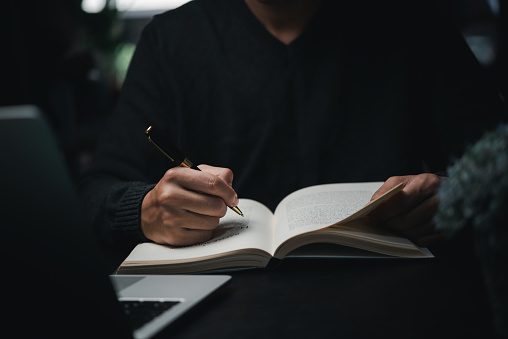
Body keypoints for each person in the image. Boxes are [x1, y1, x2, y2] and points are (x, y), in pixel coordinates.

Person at [78, 0, 507, 264]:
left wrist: (455, 196)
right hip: (219, 301)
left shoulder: (414, 22)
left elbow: (497, 163)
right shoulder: (169, 41)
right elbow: (94, 194)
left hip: (400, 291)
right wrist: (145, 210)